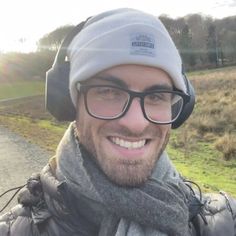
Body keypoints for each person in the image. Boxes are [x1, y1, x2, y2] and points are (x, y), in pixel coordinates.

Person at [0, 8, 235, 236]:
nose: (135, 123)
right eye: (109, 92)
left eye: (156, 96)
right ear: (70, 103)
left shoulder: (226, 222)